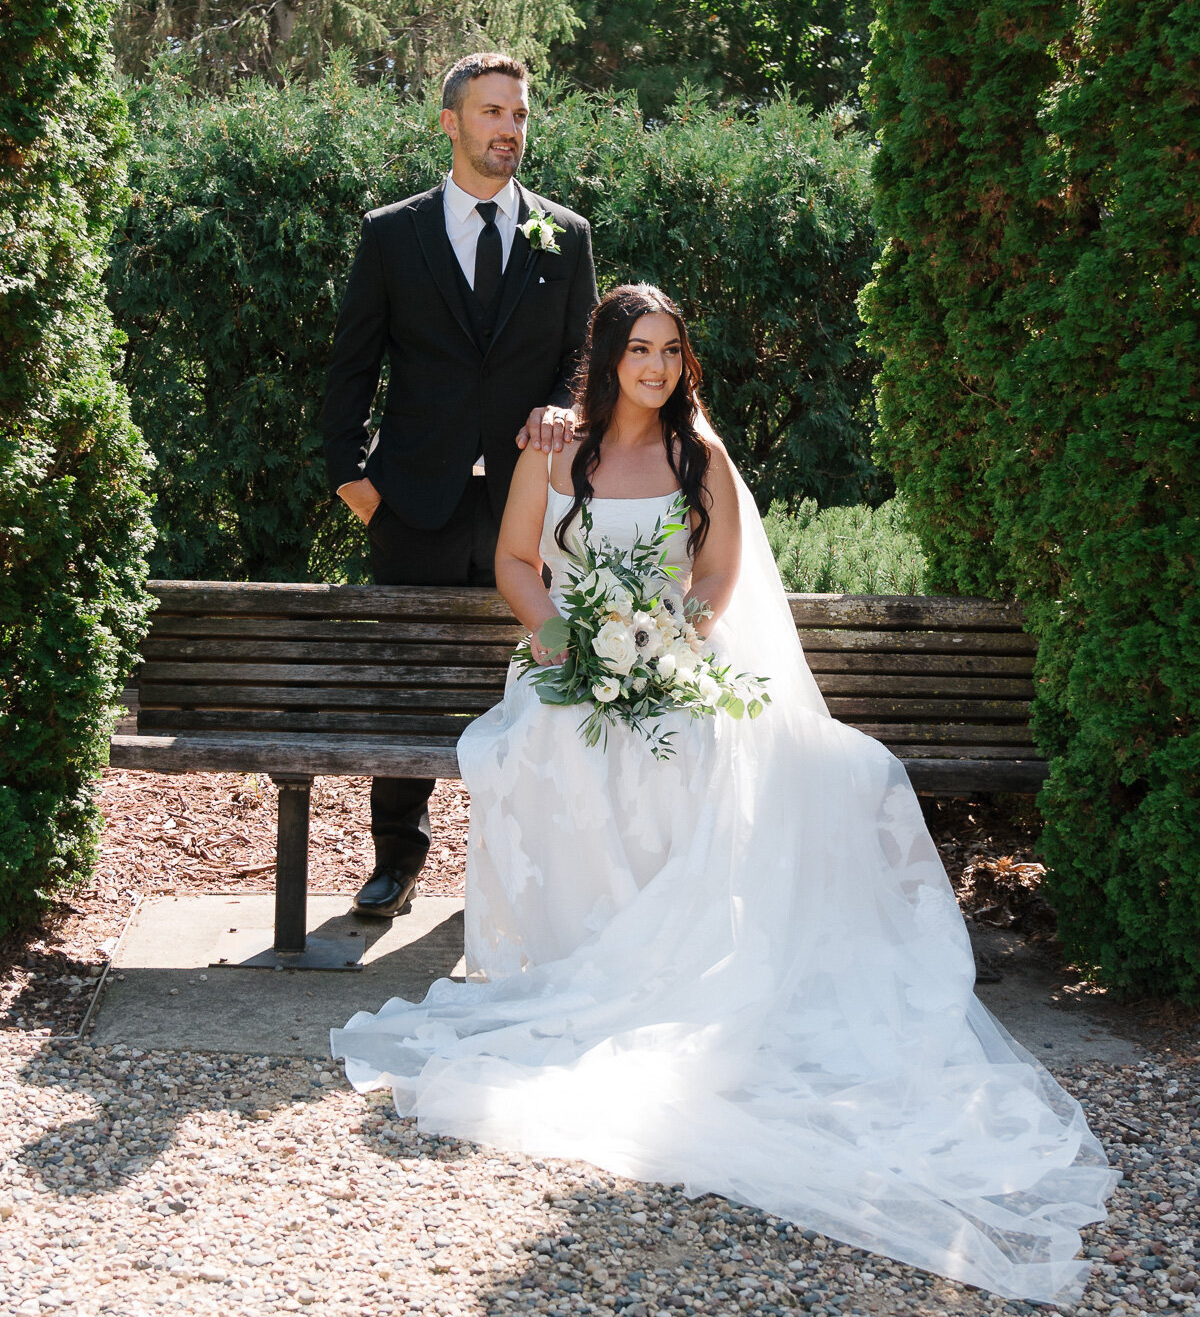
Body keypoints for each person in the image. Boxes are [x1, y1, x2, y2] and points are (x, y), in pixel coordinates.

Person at [331, 286, 1115, 1303]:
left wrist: (663, 647)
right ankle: (578, 958)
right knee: (547, 743)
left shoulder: (701, 457)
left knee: (688, 750)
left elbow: (719, 578)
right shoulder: (553, 451)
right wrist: (560, 635)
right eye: (640, 350)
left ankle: (672, 960)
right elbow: (518, 561)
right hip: (569, 662)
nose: (656, 368)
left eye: (671, 352)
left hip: (670, 663)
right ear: (608, 355)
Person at [322, 51, 598, 918]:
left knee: (531, 682)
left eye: (518, 115)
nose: (508, 130)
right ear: (451, 122)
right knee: (408, 683)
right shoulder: (392, 233)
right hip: (416, 501)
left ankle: (521, 870)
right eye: (490, 113)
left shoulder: (566, 233)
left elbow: (581, 363)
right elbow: (349, 369)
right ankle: (397, 859)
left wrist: (560, 413)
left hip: (528, 509)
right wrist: (354, 483)